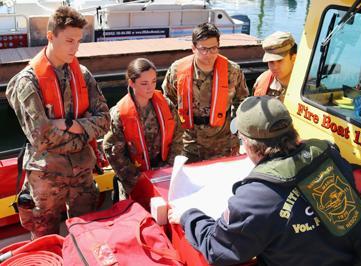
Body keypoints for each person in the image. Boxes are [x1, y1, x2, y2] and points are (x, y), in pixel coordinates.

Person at [168, 96, 361, 265]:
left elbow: (219, 248)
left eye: (242, 140)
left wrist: (188, 216)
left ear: (251, 145)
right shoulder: (328, 154)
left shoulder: (257, 197)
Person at [6, 6, 110, 239]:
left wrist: (69, 124)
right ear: (51, 36)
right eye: (69, 40)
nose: (75, 47)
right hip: (46, 178)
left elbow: (105, 120)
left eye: (79, 41)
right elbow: (41, 138)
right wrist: (84, 133)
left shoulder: (82, 74)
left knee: (87, 232)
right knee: (44, 234)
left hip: (82, 173)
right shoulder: (27, 82)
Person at [162, 22, 249, 163]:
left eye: (213, 48)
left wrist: (235, 133)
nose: (208, 54)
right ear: (193, 48)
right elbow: (169, 102)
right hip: (188, 142)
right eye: (203, 49)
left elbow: (242, 102)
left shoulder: (232, 71)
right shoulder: (177, 70)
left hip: (222, 143)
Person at [103, 58, 183, 200]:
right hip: (134, 179)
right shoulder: (119, 113)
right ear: (131, 83)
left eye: (153, 81)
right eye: (144, 83)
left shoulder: (166, 104)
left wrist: (167, 169)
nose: (150, 88)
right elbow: (113, 151)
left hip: (164, 174)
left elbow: (178, 136)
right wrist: (138, 179)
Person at [253, 31, 297, 101]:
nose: (275, 67)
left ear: (293, 58)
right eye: (271, 61)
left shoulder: (309, 89)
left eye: (280, 60)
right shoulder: (261, 80)